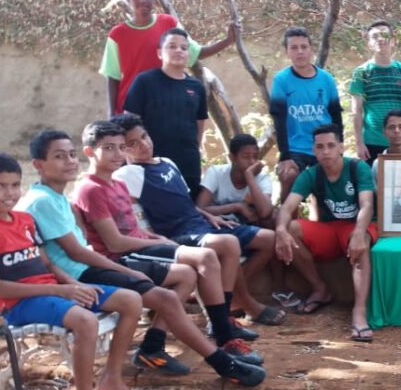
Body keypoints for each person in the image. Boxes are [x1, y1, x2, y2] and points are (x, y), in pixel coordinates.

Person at [16, 130, 265, 386]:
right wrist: (127, 270)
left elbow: (81, 247)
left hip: (89, 268)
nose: (70, 161)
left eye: (71, 154)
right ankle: (223, 360)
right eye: (59, 156)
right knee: (168, 295)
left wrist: (150, 242)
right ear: (38, 164)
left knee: (185, 276)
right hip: (83, 274)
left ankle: (158, 347)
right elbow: (79, 252)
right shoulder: (45, 201)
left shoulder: (56, 197)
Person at [0, 151, 146, 390]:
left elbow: (47, 263)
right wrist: (59, 291)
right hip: (19, 304)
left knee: (131, 300)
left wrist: (72, 284)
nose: (10, 193)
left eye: (14, 185)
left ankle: (111, 379)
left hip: (52, 291)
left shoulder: (25, 220)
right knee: (85, 320)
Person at [110, 113, 281, 336]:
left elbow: (184, 203)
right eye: (132, 144)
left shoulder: (167, 163)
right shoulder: (128, 174)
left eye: (144, 137)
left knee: (267, 238)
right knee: (227, 244)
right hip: (177, 234)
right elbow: (135, 218)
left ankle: (227, 310)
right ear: (123, 149)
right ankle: (228, 315)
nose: (143, 145)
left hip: (200, 224)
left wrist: (209, 216)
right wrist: (156, 241)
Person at [275, 125, 377, 342]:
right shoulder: (311, 174)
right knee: (291, 228)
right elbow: (287, 206)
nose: (326, 151)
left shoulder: (357, 168)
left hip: (357, 225)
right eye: (320, 147)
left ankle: (359, 311)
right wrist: (280, 229)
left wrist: (359, 232)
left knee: (361, 244)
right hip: (330, 229)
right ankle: (319, 288)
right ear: (314, 150)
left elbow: (367, 204)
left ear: (341, 147)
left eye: (331, 146)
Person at [100, 0, 236, 116]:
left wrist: (228, 40)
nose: (142, 0)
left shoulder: (169, 23)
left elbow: (196, 53)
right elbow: (112, 77)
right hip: (131, 112)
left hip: (166, 108)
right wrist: (112, 115)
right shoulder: (117, 35)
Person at [123, 28, 208, 198]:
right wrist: (130, 159)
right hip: (151, 162)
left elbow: (199, 125)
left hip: (188, 164)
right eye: (172, 46)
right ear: (159, 53)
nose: (179, 50)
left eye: (184, 48)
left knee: (188, 206)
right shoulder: (144, 81)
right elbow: (128, 123)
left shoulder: (197, 86)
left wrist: (195, 151)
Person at [269, 26, 343, 202]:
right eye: (294, 47)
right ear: (287, 51)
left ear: (311, 49)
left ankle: (321, 216)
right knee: (288, 175)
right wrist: (285, 155)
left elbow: (336, 115)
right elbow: (278, 119)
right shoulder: (281, 80)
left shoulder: (326, 79)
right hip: (296, 148)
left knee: (332, 186)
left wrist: (339, 146)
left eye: (304, 47)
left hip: (324, 145)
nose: (300, 52)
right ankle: (286, 217)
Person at [350, 21, 401, 164]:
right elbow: (356, 110)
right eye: (375, 36)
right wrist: (359, 143)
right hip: (371, 141)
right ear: (369, 43)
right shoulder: (361, 72)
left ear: (393, 41)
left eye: (384, 35)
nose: (380, 39)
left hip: (399, 141)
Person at [197, 133, 277, 228]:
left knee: (274, 218)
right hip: (218, 223)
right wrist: (237, 206)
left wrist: (249, 176)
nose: (252, 161)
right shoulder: (216, 172)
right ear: (232, 158)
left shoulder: (262, 177)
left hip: (249, 224)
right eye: (246, 157)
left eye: (255, 157)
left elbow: (265, 213)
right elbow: (200, 208)